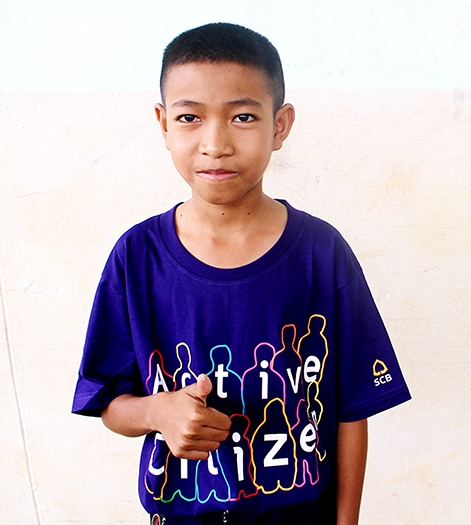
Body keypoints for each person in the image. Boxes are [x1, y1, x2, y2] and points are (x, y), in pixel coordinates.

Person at [71, 22, 410, 525]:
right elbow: (107, 398)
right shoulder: (136, 257)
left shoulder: (322, 253)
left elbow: (351, 407)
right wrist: (156, 412)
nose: (216, 143)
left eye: (243, 116)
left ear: (280, 125)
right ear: (163, 124)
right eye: (190, 117)